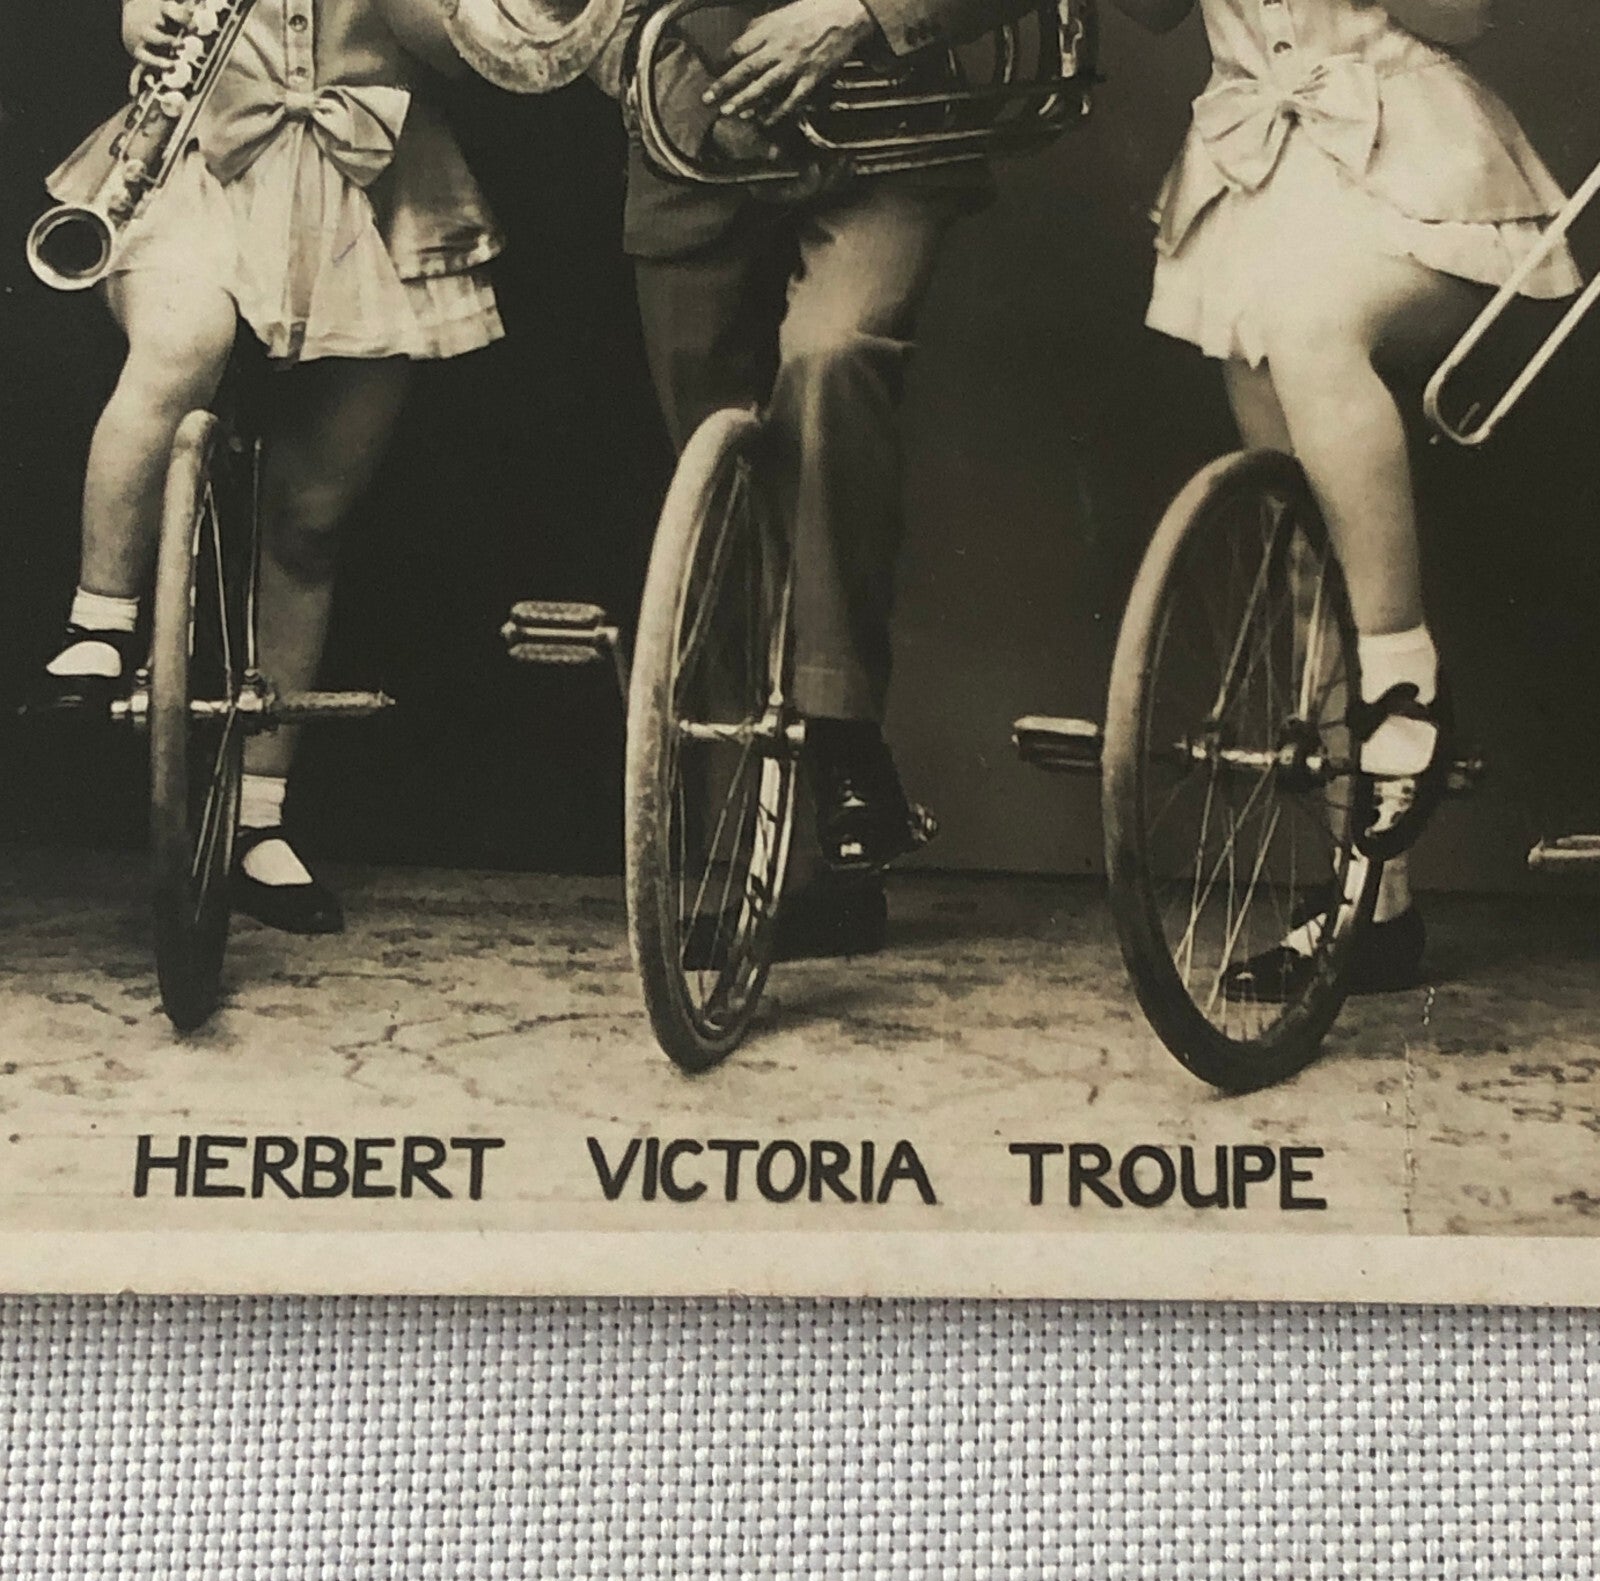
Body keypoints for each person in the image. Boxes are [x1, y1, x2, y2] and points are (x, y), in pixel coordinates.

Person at [1122, 0, 1579, 996]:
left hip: (1414, 169)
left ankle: (1406, 681)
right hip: (1257, 178)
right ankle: (1372, 904)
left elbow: (1468, 15)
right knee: (1308, 551)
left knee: (1310, 324)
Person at [35, 0, 504, 933]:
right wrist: (145, 19)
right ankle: (101, 618)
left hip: (377, 191)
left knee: (311, 519)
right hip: (194, 169)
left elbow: (481, 50)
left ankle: (258, 818)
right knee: (184, 342)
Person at [590, 0, 1040, 952]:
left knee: (833, 357)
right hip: (693, 139)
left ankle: (838, 738)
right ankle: (777, 867)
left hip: (888, 127)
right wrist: (621, 50)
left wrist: (864, 13)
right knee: (716, 502)